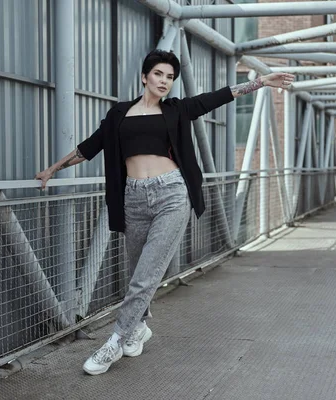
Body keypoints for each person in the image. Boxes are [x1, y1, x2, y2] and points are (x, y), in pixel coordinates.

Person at [35, 49, 294, 375]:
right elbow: (88, 148)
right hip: (133, 199)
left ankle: (113, 341)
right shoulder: (118, 115)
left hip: (171, 193)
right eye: (159, 74)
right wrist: (52, 169)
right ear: (145, 77)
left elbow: (219, 96)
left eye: (170, 77)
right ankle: (139, 327)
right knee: (135, 272)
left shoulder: (177, 109)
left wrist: (260, 82)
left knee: (146, 276)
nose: (165, 81)